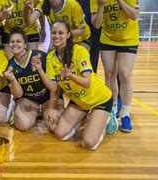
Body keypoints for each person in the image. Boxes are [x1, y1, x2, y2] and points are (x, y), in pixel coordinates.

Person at [34, 21, 116, 150]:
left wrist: (71, 76)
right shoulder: (50, 57)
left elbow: (87, 82)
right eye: (54, 33)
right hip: (79, 101)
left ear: (68, 35)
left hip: (99, 99)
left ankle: (107, 119)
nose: (56, 36)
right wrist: (39, 70)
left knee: (89, 143)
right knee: (60, 134)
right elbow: (54, 88)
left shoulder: (79, 51)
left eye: (60, 33)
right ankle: (86, 118)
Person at [90, 0, 139, 133]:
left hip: (128, 39)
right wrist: (101, 6)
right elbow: (96, 25)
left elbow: (134, 15)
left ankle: (125, 114)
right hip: (108, 39)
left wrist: (120, 1)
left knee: (124, 75)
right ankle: (112, 110)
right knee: (109, 74)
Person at [3, 28, 58, 131]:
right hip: (29, 99)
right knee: (22, 125)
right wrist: (13, 79)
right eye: (12, 42)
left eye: (18, 41)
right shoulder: (10, 66)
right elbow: (18, 94)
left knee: (55, 126)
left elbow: (54, 87)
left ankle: (44, 110)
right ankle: (35, 112)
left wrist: (52, 107)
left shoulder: (40, 56)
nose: (15, 44)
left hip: (47, 97)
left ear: (25, 44)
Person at [26, 0, 91, 50]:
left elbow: (82, 30)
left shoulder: (73, 5)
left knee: (73, 56)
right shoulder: (44, 4)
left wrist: (64, 35)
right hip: (61, 39)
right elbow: (29, 21)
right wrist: (27, 9)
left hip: (80, 39)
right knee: (49, 58)